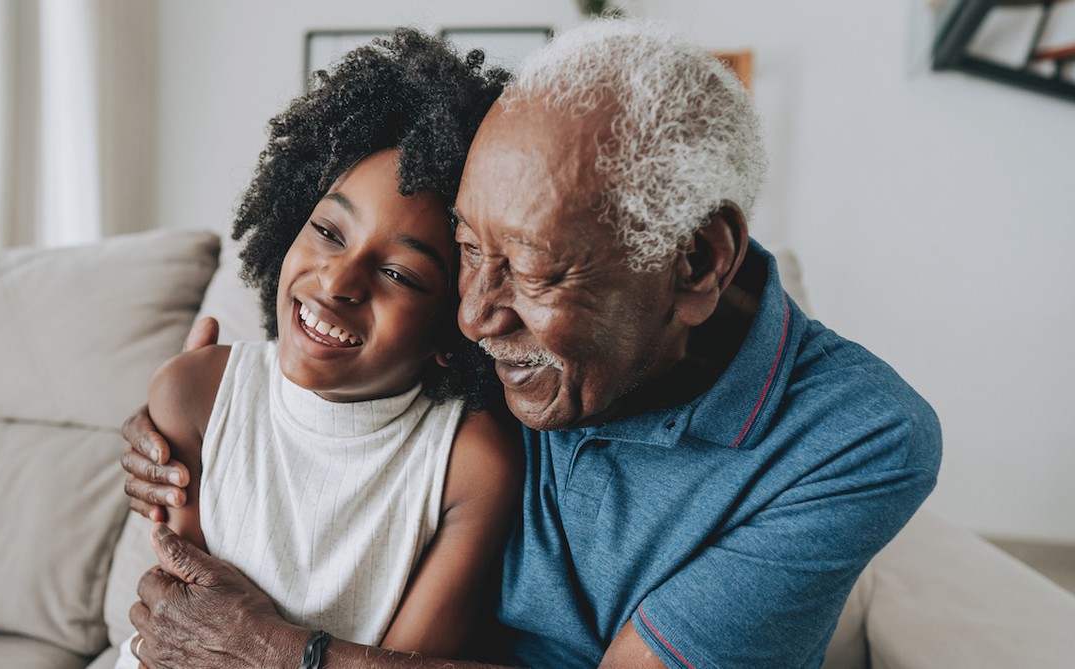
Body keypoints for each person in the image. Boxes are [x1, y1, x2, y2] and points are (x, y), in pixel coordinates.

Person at [121, 17, 941, 669]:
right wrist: (190, 418)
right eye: (470, 249)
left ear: (696, 263)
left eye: (534, 271)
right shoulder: (497, 347)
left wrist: (279, 655)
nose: (474, 317)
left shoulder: (855, 436)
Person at [113, 29, 522, 669]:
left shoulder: (471, 463)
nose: (337, 282)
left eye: (399, 274)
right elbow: (181, 631)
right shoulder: (193, 392)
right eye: (329, 231)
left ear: (455, 328)